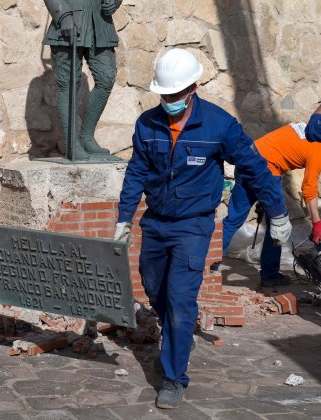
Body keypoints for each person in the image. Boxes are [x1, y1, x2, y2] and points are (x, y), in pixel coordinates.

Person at [113, 48, 291, 409]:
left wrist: (278, 213)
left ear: (193, 87)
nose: (170, 101)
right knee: (153, 288)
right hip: (156, 222)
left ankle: (174, 377)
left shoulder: (219, 125)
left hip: (194, 226)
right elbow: (136, 172)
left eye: (176, 94)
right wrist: (123, 217)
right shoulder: (147, 124)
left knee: (180, 301)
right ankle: (179, 331)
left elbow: (256, 168)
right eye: (164, 95)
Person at [222, 114, 321, 287]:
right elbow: (309, 189)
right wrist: (317, 223)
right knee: (279, 224)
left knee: (232, 220)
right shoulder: (318, 148)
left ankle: (204, 266)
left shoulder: (303, 125)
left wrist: (263, 195)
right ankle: (270, 275)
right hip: (265, 172)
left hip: (248, 160)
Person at [43, 0, 123, 159]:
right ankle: (72, 144)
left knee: (106, 77)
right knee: (69, 84)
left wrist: (115, 2)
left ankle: (87, 137)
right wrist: (63, 13)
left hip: (100, 22)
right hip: (69, 22)